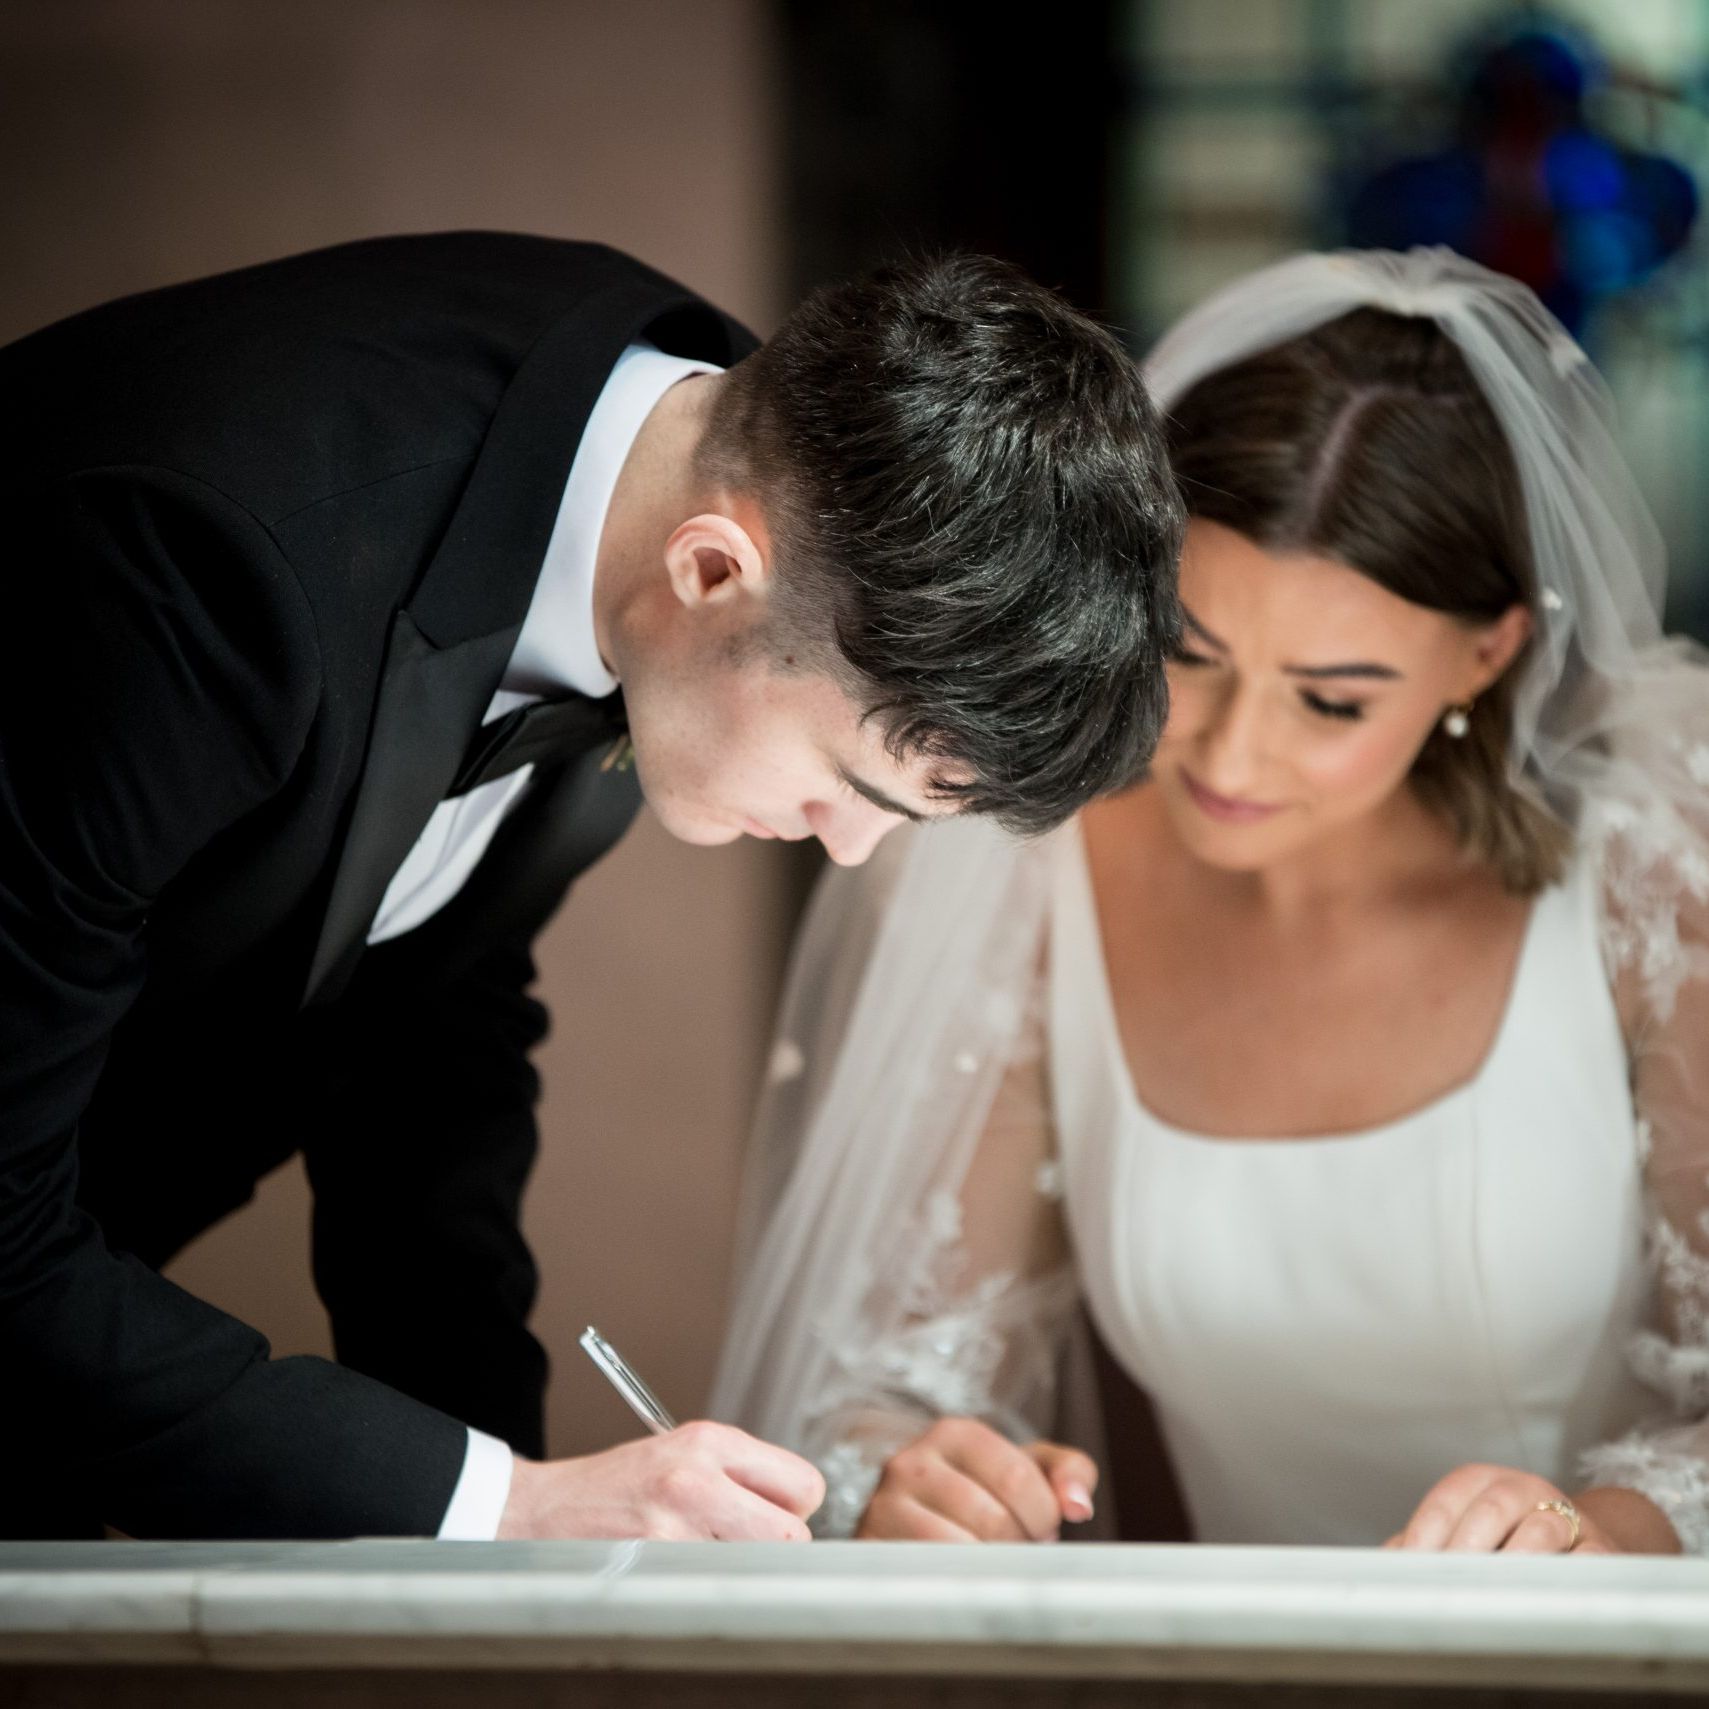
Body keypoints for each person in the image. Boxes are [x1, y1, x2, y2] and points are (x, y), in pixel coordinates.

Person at [0, 232, 1183, 1542]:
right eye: (858, 781)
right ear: (711, 572)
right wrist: (497, 1503)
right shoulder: (204, 567)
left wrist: (521, 1551)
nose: (847, 845)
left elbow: (431, 1036)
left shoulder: (742, 467)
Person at [712, 247, 1709, 1557]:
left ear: (1487, 650)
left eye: (1331, 699)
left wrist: (1601, 1534)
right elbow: (892, 1384)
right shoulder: (1026, 873)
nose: (1232, 756)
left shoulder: (1651, 879)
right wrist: (913, 1471)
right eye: (1190, 653)